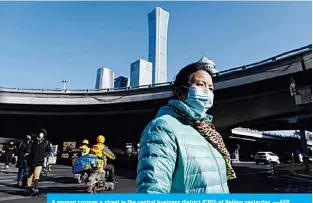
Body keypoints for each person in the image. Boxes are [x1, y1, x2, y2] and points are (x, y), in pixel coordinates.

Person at [136, 59, 236, 193]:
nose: (207, 91)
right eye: (201, 84)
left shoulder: (208, 132)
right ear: (180, 91)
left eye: (211, 88)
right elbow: (152, 190)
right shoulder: (163, 127)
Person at [25, 129, 51, 195]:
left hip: (39, 161)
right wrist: (27, 154)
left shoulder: (46, 142)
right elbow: (28, 148)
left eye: (42, 133)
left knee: (36, 175)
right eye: (40, 132)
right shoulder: (33, 141)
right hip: (31, 160)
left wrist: (43, 155)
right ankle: (28, 187)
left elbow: (48, 151)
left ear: (44, 135)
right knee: (29, 175)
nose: (40, 134)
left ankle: (35, 188)